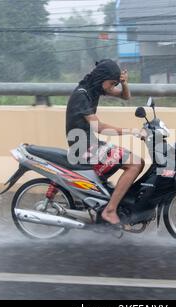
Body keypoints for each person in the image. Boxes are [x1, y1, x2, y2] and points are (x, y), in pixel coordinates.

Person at [66, 59, 146, 225]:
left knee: (136, 162)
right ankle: (109, 211)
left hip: (90, 144)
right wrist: (132, 132)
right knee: (135, 163)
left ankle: (109, 203)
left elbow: (125, 96)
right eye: (111, 83)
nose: (112, 87)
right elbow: (99, 127)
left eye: (114, 84)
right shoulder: (82, 94)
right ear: (102, 78)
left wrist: (123, 83)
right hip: (83, 147)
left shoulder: (94, 89)